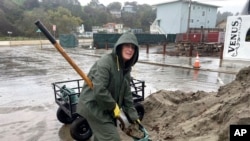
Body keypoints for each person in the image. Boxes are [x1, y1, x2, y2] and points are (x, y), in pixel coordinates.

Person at [76, 32, 140, 141]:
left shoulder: (126, 69)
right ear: (120, 46)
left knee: (100, 137)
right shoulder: (105, 63)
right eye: (127, 46)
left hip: (105, 107)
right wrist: (113, 106)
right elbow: (100, 90)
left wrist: (133, 116)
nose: (130, 49)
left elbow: (127, 94)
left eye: (133, 47)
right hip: (93, 106)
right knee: (112, 138)